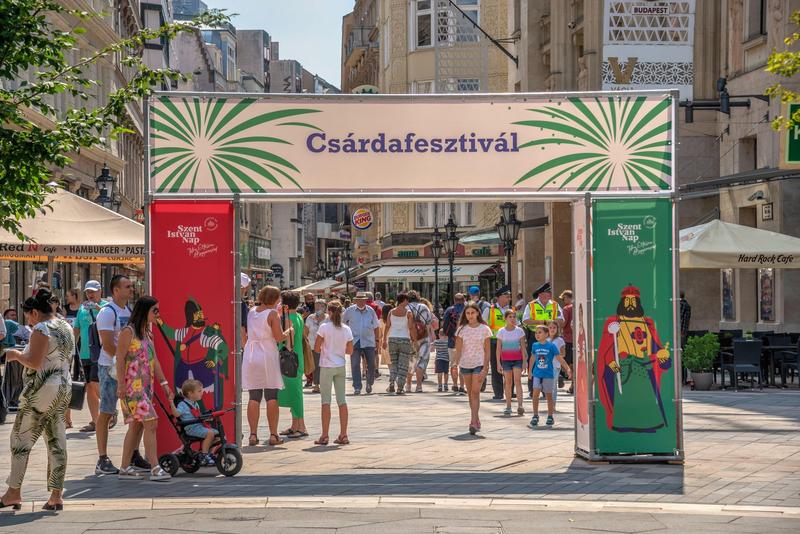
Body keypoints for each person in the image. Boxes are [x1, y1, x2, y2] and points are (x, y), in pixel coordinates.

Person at [1, 289, 74, 510]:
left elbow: (34, 362)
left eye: (28, 317)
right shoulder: (65, 326)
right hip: (63, 387)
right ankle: (56, 496)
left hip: (41, 390)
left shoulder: (42, 328)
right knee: (57, 441)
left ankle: (13, 493)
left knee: (20, 440)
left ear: (34, 312)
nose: (29, 322)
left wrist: (15, 355)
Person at [115, 296, 173, 481]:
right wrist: (121, 384)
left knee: (136, 427)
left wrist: (164, 384)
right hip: (133, 388)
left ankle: (124, 468)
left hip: (146, 387)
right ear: (144, 311)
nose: (158, 314)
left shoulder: (147, 333)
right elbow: (120, 359)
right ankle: (155, 467)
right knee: (151, 423)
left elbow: (154, 361)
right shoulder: (128, 332)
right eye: (155, 310)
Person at [95, 275, 143, 476]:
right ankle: (102, 458)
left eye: (131, 286)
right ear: (116, 290)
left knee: (137, 413)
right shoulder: (107, 312)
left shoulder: (129, 311)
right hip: (110, 368)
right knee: (106, 412)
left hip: (126, 368)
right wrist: (124, 361)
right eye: (127, 286)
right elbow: (107, 345)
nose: (131, 289)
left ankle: (133, 453)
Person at [242, 286, 292, 446]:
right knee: (271, 395)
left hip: (251, 354)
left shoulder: (252, 311)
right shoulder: (272, 314)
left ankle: (253, 434)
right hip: (267, 354)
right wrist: (288, 331)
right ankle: (273, 435)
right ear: (275, 298)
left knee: (254, 396)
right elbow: (278, 337)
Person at [313, 300, 353, 446]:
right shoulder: (346, 329)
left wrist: (327, 348)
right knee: (342, 401)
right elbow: (350, 350)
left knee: (326, 401)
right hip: (340, 365)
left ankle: (325, 435)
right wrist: (339, 350)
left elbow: (316, 348)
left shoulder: (324, 327)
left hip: (327, 366)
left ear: (328, 312)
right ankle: (343, 434)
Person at [72, 280, 105, 433]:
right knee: (90, 386)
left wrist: (98, 308)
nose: (90, 294)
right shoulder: (82, 308)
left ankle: (109, 407)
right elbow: (76, 329)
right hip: (85, 353)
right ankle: (95, 421)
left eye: (93, 291)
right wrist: (71, 349)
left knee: (95, 382)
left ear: (100, 291)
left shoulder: (106, 307)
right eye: (88, 292)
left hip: (101, 353)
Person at [455, 303, 492, 435]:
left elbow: (487, 350)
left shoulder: (484, 329)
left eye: (472, 313)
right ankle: (476, 418)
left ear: (477, 313)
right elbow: (458, 350)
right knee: (470, 394)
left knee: (475, 392)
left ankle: (473, 421)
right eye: (468, 313)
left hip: (479, 363)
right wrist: (454, 364)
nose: (470, 315)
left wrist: (486, 367)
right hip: (465, 364)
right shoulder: (461, 330)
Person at [277, 291, 308, 438]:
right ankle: (295, 425)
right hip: (298, 357)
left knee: (295, 394)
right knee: (296, 392)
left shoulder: (288, 319)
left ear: (286, 305)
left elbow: (288, 342)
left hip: (290, 360)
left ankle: (301, 427)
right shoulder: (298, 317)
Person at [522, 283, 563, 394]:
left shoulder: (555, 305)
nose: (548, 295)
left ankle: (546, 389)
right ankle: (533, 388)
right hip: (535, 336)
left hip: (550, 336)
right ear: (540, 295)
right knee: (534, 361)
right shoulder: (531, 305)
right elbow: (525, 320)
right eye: (545, 293)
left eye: (549, 293)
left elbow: (561, 320)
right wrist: (542, 322)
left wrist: (552, 322)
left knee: (548, 361)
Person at [528, 325, 571, 427]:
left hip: (548, 374)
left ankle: (550, 416)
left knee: (548, 396)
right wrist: (529, 371)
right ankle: (535, 415)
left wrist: (567, 368)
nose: (537, 335)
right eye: (536, 333)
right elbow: (532, 358)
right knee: (535, 394)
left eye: (540, 332)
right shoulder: (535, 345)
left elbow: (559, 358)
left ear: (546, 334)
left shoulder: (551, 346)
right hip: (537, 374)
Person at [172, 379, 218, 467]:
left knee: (217, 434)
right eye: (199, 391)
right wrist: (171, 402)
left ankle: (210, 454)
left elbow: (197, 415)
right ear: (190, 393)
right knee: (210, 433)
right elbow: (176, 414)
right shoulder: (183, 404)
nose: (202, 393)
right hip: (191, 428)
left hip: (198, 426)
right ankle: (204, 455)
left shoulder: (195, 403)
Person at [343, 292, 380, 395]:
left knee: (371, 364)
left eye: (363, 300)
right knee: (355, 364)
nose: (361, 302)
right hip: (355, 341)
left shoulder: (370, 311)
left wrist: (377, 340)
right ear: (355, 301)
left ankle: (369, 382)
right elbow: (343, 323)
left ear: (365, 300)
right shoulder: (349, 311)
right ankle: (357, 387)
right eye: (359, 300)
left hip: (369, 341)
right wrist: (346, 337)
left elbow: (376, 326)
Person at [382, 292, 417, 395]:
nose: (408, 302)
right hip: (404, 339)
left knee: (394, 363)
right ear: (404, 300)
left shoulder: (391, 312)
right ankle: (400, 387)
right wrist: (415, 340)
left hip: (392, 339)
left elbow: (387, 326)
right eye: (407, 300)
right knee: (403, 365)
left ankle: (392, 382)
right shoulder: (408, 313)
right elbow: (411, 327)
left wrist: (384, 339)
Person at [482, 285, 513, 400]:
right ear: (499, 297)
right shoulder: (489, 310)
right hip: (494, 342)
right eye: (507, 296)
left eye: (509, 296)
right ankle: (498, 393)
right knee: (496, 368)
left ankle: (510, 391)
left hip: (510, 343)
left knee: (510, 367)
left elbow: (518, 325)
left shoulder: (512, 310)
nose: (509, 298)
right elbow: (483, 326)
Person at [496, 309, 526, 416]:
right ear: (505, 318)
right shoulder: (501, 331)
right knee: (508, 382)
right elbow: (498, 349)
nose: (512, 319)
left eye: (514, 317)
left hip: (517, 360)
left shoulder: (519, 331)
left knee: (517, 381)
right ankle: (508, 406)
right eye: (510, 317)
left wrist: (524, 362)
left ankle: (520, 406)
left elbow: (523, 347)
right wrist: (498, 363)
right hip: (506, 360)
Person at [407, 291, 434, 393]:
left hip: (410, 338)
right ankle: (419, 386)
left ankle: (408, 385)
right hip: (424, 338)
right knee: (422, 361)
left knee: (411, 361)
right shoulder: (424, 307)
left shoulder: (406, 308)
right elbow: (428, 324)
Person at [442, 293, 466, 394]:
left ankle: (455, 384)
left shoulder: (449, 310)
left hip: (452, 341)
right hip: (465, 342)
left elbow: (444, 326)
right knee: (463, 364)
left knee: (454, 364)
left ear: (454, 300)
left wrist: (449, 335)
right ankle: (462, 386)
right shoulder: (467, 310)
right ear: (464, 300)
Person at [305, 300, 328, 394]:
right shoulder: (310, 318)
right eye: (316, 306)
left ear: (324, 307)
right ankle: (316, 385)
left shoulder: (328, 318)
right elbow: (305, 332)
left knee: (324, 366)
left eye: (319, 306)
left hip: (325, 346)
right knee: (316, 366)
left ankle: (324, 384)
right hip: (313, 346)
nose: (317, 308)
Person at [547, 320, 566, 407]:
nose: (552, 329)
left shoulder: (560, 340)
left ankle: (552, 405)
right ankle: (550, 403)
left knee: (553, 385)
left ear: (557, 329)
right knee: (547, 386)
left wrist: (555, 354)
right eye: (550, 327)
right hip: (546, 366)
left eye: (554, 327)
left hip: (556, 365)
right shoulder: (545, 340)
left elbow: (563, 354)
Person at [559, 290, 575, 393]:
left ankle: (569, 381)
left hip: (568, 339)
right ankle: (573, 384)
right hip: (577, 338)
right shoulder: (577, 306)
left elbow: (563, 324)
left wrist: (557, 322)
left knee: (567, 363)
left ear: (568, 297)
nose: (563, 301)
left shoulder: (566, 309)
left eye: (564, 299)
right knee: (574, 363)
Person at [240, 273, 252, 346]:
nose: (246, 289)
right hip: (239, 346)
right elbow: (241, 328)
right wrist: (246, 348)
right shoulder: (240, 303)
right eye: (246, 287)